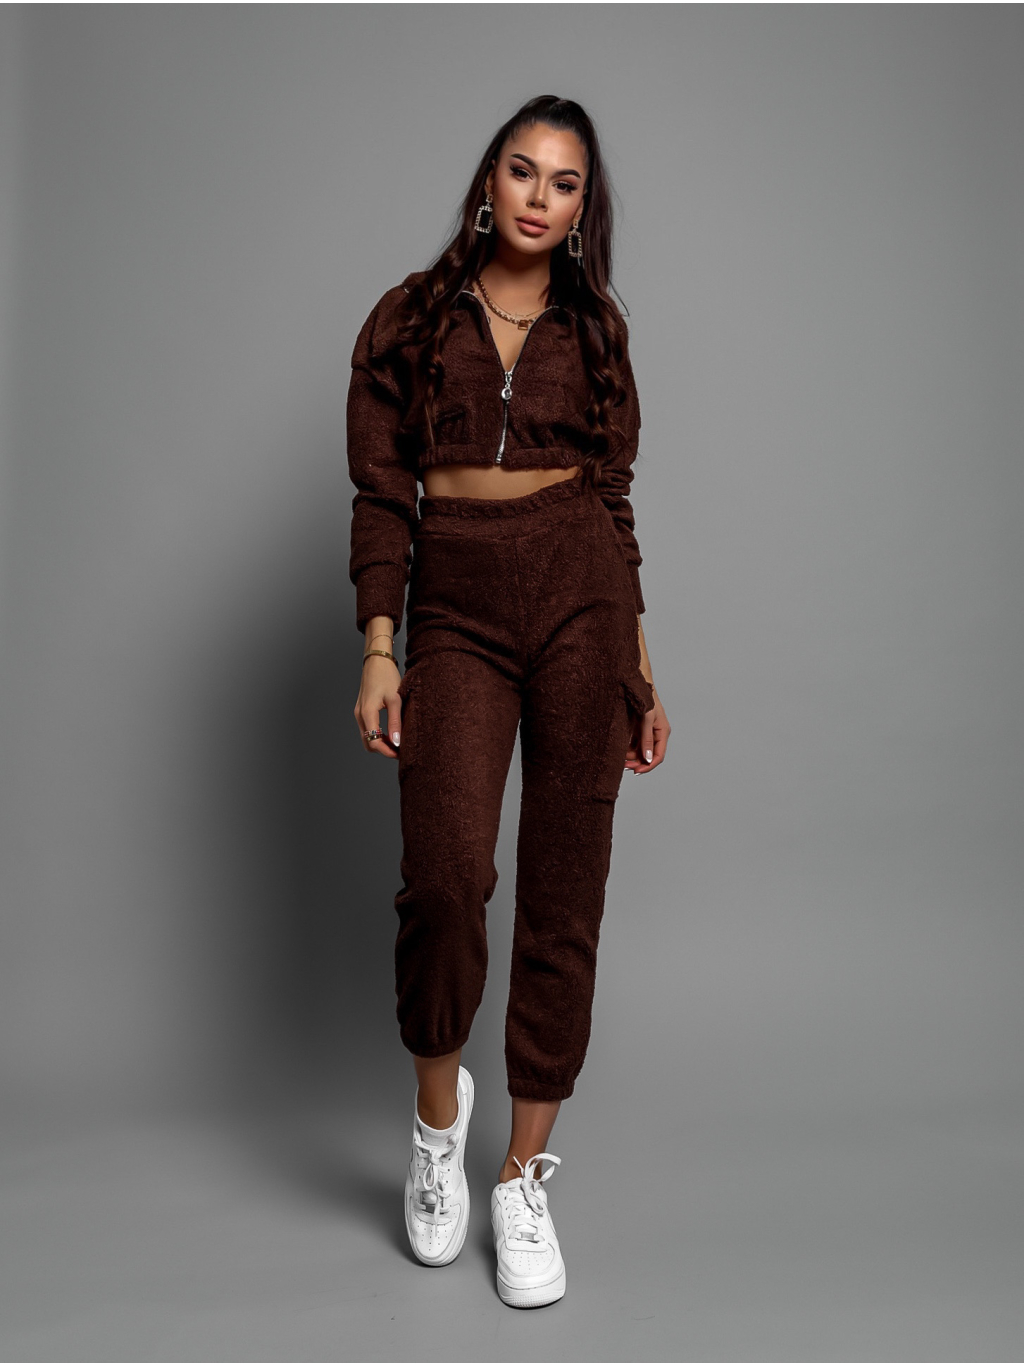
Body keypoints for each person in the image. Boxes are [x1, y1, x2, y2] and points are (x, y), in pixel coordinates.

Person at [346, 95, 670, 1309]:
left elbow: (615, 503)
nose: (540, 197)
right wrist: (380, 646)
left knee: (564, 893)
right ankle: (440, 1123)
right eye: (522, 172)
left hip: (582, 595)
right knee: (445, 878)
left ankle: (523, 1177)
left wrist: (640, 665)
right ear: (489, 183)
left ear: (583, 209)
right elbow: (383, 494)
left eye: (564, 182)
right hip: (457, 608)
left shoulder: (597, 329)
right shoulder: (409, 317)